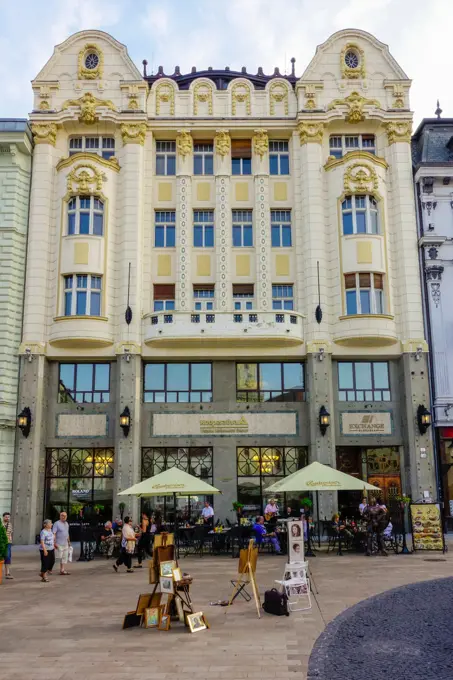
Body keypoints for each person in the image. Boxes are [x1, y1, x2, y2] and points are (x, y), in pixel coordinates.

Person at [53, 511, 71, 575]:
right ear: (60, 516)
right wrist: (54, 543)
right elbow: (54, 533)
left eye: (65, 516)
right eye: (62, 515)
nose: (64, 517)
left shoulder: (66, 524)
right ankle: (49, 568)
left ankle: (62, 570)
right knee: (58, 557)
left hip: (65, 543)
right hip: (58, 543)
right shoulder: (56, 523)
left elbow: (67, 533)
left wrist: (69, 541)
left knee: (64, 557)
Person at [2, 512, 13, 580]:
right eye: (6, 517)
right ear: (3, 517)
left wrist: (10, 539)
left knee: (8, 557)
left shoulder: (10, 524)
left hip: (8, 543)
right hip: (2, 543)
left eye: (8, 517)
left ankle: (7, 573)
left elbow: (10, 533)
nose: (7, 518)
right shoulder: (1, 524)